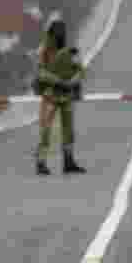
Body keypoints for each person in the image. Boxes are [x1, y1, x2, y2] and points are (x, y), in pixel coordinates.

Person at [33, 19, 86, 175]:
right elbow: (40, 72)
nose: (60, 35)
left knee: (68, 130)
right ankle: (41, 162)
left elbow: (80, 70)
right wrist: (59, 81)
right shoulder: (44, 51)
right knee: (46, 130)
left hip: (66, 94)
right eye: (58, 33)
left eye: (62, 32)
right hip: (50, 94)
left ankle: (68, 161)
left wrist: (72, 82)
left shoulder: (70, 51)